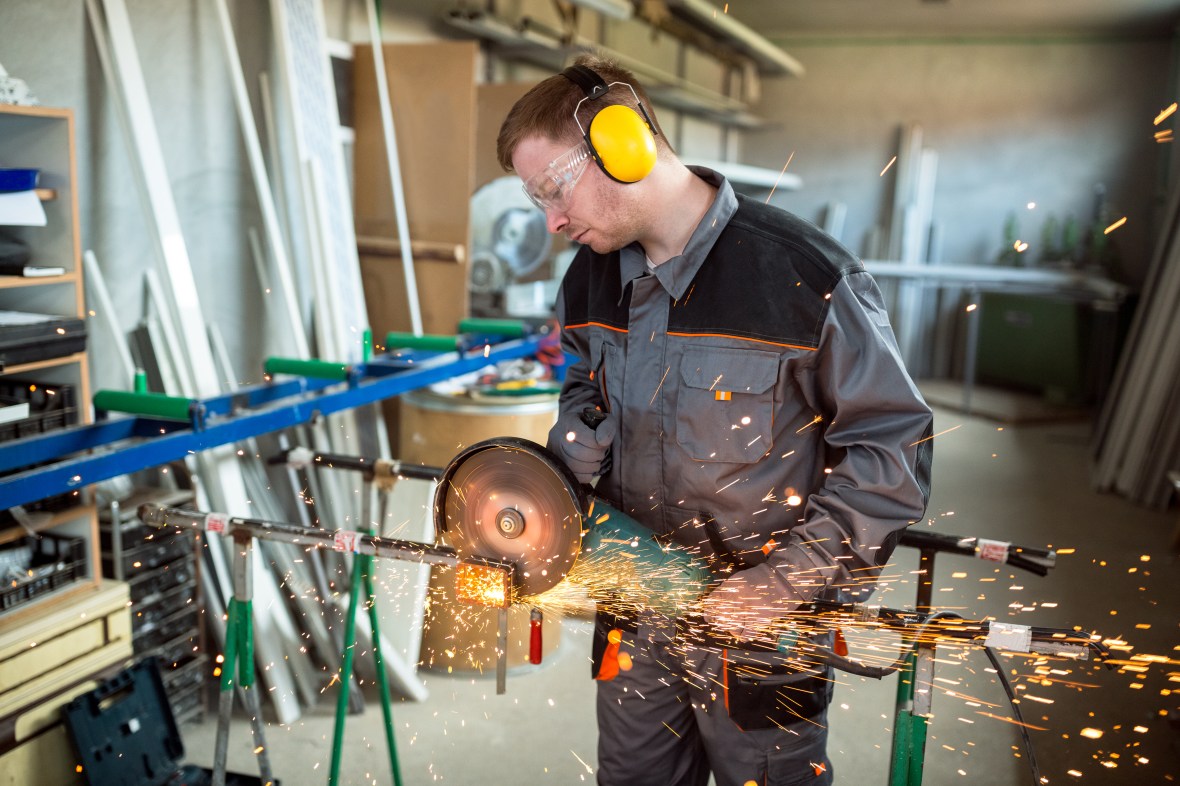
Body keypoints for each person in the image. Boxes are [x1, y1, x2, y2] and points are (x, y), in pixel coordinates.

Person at [496, 53, 934, 786]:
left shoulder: (805, 278)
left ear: (624, 144)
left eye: (554, 190)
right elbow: (581, 385)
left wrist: (787, 582)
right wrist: (573, 450)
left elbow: (890, 451)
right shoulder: (591, 274)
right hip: (634, 609)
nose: (553, 221)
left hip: (762, 631)